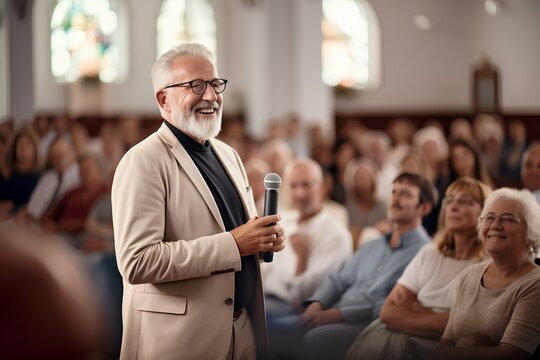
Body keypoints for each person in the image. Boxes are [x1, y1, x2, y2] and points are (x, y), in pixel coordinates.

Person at [111, 43, 285, 360]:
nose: (211, 96)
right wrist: (235, 244)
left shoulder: (228, 154)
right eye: (195, 85)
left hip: (240, 328)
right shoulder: (143, 161)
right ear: (163, 99)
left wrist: (259, 241)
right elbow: (138, 262)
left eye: (215, 84)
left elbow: (234, 239)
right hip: (182, 339)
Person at [269, 172, 436, 360]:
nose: (395, 199)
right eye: (394, 192)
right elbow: (337, 279)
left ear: (425, 207)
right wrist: (317, 304)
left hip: (370, 324)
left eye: (405, 194)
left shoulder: (426, 253)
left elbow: (391, 302)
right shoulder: (373, 244)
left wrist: (339, 314)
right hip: (333, 313)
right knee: (270, 329)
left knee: (314, 338)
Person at [345, 177, 491, 360]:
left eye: (465, 202)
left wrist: (413, 308)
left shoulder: (488, 264)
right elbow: (389, 312)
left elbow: (468, 327)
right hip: (398, 340)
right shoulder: (429, 253)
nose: (453, 207)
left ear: (486, 212)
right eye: (450, 201)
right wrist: (442, 318)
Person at [436, 188, 540, 359]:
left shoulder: (535, 283)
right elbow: (442, 347)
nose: (495, 225)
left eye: (507, 219)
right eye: (489, 218)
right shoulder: (468, 275)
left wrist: (461, 348)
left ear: (531, 233)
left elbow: (510, 355)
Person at [263, 159, 351, 318]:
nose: (300, 194)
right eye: (294, 185)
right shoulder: (282, 221)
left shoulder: (337, 235)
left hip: (295, 312)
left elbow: (306, 295)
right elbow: (263, 273)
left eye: (306, 185)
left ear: (323, 187)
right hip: (264, 300)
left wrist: (302, 259)